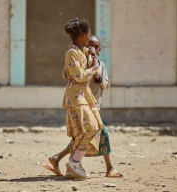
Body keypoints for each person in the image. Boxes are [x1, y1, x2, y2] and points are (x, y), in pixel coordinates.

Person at [42, 34, 123, 179]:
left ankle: (62, 161)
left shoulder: (100, 65)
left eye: (96, 46)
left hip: (94, 104)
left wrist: (98, 77)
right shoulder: (79, 59)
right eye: (89, 45)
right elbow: (70, 74)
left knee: (82, 135)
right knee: (97, 132)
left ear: (99, 49)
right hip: (81, 104)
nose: (92, 48)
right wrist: (88, 69)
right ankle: (105, 167)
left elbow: (106, 84)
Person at [44, 18, 102, 180]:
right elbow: (79, 76)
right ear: (83, 35)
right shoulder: (71, 53)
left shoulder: (80, 53)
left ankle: (72, 166)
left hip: (83, 96)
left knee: (81, 132)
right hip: (76, 97)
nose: (89, 39)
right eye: (88, 35)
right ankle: (75, 161)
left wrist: (92, 58)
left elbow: (87, 67)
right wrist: (94, 69)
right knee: (92, 127)